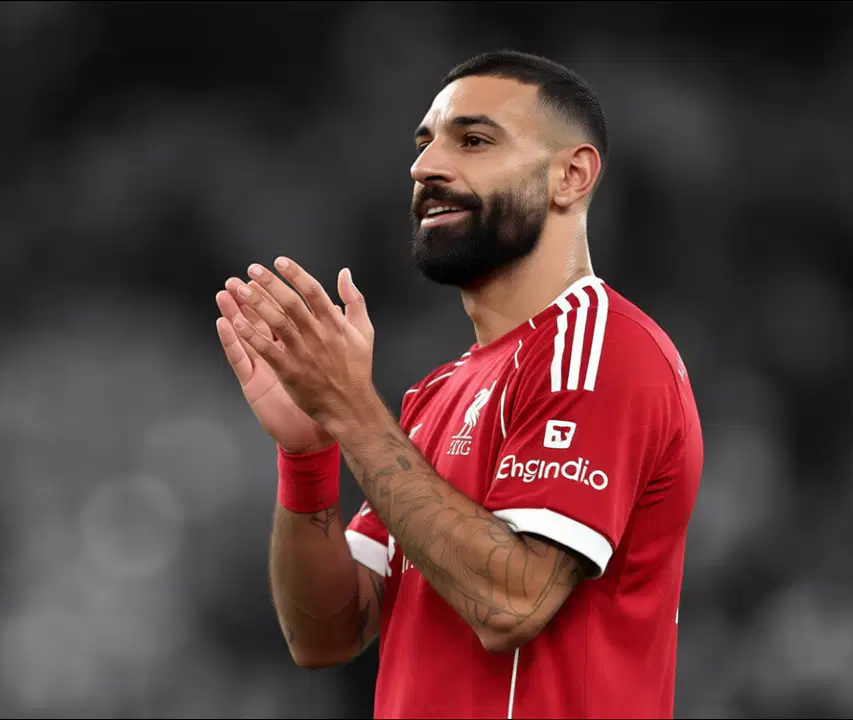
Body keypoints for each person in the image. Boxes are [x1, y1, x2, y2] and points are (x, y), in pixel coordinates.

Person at [213, 49, 703, 719]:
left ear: (571, 176)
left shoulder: (603, 351)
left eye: (473, 141)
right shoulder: (437, 393)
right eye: (425, 144)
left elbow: (512, 603)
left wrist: (351, 410)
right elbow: (326, 634)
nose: (425, 167)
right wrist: (309, 454)